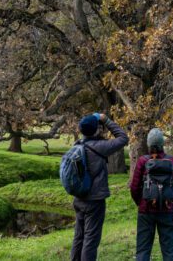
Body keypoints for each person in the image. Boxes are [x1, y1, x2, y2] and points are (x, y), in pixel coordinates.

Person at [71, 112, 129, 261]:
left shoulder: (77, 146)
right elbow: (123, 138)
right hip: (94, 200)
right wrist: (107, 120)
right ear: (97, 129)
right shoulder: (101, 146)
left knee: (79, 237)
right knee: (90, 240)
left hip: (78, 198)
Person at [129, 128, 173, 261]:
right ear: (162, 144)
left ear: (148, 144)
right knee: (169, 250)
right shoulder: (172, 161)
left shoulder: (143, 161)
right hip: (167, 209)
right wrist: (170, 198)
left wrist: (141, 202)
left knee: (143, 249)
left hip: (146, 210)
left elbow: (134, 187)